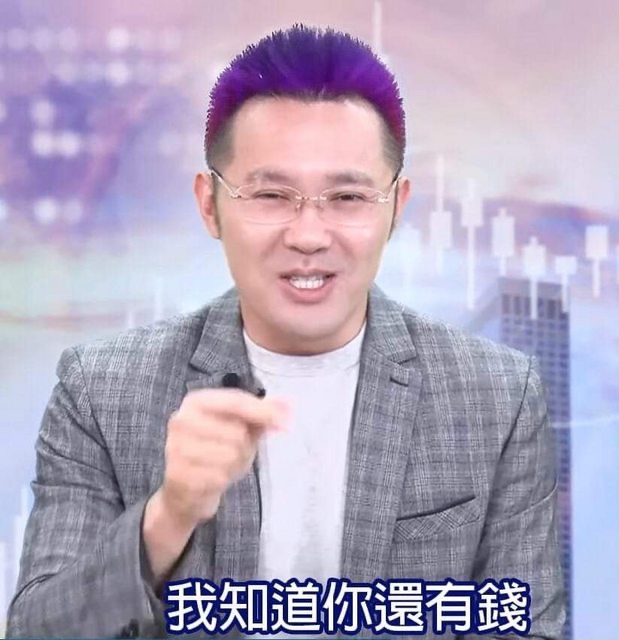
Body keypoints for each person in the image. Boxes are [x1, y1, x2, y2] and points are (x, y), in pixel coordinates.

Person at [7, 24, 565, 639]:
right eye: (271, 194)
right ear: (209, 204)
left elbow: (527, 625)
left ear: (396, 207)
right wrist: (169, 515)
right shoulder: (101, 390)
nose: (308, 235)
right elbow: (36, 630)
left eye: (347, 197)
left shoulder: (497, 395)